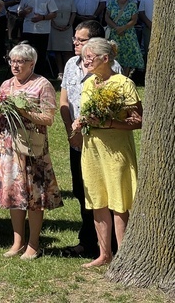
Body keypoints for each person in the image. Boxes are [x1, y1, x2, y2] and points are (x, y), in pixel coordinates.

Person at [0, 43, 63, 260]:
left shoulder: (42, 84)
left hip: (31, 148)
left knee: (34, 197)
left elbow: (48, 118)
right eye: (12, 61)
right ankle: (17, 242)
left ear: (32, 63)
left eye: (21, 62)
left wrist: (23, 112)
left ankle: (33, 244)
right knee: (14, 195)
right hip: (8, 147)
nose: (15, 65)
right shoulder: (6, 84)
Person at [70, 38, 142, 268]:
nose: (85, 60)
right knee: (97, 200)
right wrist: (80, 122)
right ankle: (104, 254)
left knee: (119, 202)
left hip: (116, 152)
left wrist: (109, 123)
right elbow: (87, 113)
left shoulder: (123, 83)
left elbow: (137, 121)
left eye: (90, 56)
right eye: (84, 57)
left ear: (106, 58)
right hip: (92, 151)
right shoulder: (90, 83)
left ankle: (123, 256)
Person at [59, 21, 121, 259]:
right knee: (81, 190)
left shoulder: (112, 68)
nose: (75, 43)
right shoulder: (70, 64)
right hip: (76, 139)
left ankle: (113, 244)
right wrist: (71, 132)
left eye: (81, 40)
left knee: (105, 193)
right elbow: (64, 102)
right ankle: (88, 241)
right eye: (75, 39)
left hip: (103, 141)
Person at [17, 0, 58, 79]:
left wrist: (42, 17)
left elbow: (54, 13)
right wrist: (24, 12)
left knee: (40, 56)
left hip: (42, 31)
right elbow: (19, 13)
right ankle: (26, 76)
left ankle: (39, 78)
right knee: (27, 55)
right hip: (28, 30)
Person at [105, 0, 144, 77]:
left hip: (128, 34)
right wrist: (116, 27)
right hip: (114, 33)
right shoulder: (111, 4)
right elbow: (107, 17)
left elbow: (134, 20)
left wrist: (123, 28)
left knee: (128, 58)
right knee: (114, 55)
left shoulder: (132, 5)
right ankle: (114, 77)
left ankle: (125, 78)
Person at [48, 0, 76, 79]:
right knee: (57, 51)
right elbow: (49, 12)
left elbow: (73, 12)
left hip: (67, 27)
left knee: (68, 50)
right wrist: (55, 25)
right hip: (54, 27)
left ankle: (68, 72)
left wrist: (69, 25)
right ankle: (60, 72)